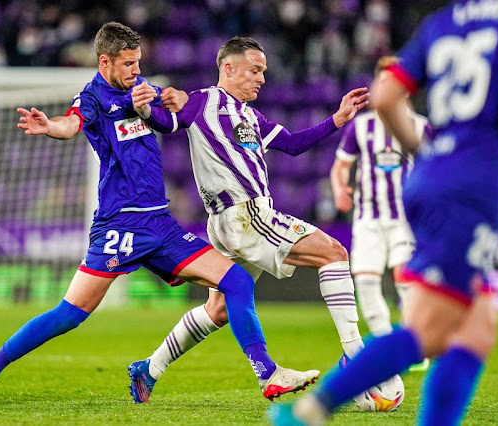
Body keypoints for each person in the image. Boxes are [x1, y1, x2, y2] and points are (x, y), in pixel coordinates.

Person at [0, 22, 318, 406]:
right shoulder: (91, 97)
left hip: (160, 223)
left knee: (237, 282)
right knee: (69, 316)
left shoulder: (142, 87)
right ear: (105, 61)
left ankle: (267, 374)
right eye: (127, 64)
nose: (135, 71)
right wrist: (51, 126)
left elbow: (174, 101)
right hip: (119, 225)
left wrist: (172, 96)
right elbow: (70, 124)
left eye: (138, 62)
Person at [270, 0, 498, 424]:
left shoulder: (442, 22)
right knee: (432, 330)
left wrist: (425, 155)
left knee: (477, 325)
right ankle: (308, 412)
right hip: (472, 185)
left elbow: (386, 95)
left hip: (429, 181)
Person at [127, 36, 380, 404]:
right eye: (255, 70)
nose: (261, 78)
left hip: (233, 223)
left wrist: (336, 120)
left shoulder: (249, 115)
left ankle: (150, 367)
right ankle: (353, 355)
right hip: (246, 215)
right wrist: (150, 105)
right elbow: (166, 123)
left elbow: (293, 143)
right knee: (334, 253)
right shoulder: (202, 101)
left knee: (217, 309)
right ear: (228, 68)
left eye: (263, 71)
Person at [330, 56, 432, 371]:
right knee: (366, 280)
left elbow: (433, 170)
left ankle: (415, 344)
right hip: (368, 218)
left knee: (406, 276)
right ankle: (389, 346)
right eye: (384, 82)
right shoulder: (361, 127)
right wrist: (339, 188)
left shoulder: (420, 126)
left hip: (406, 218)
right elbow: (341, 167)